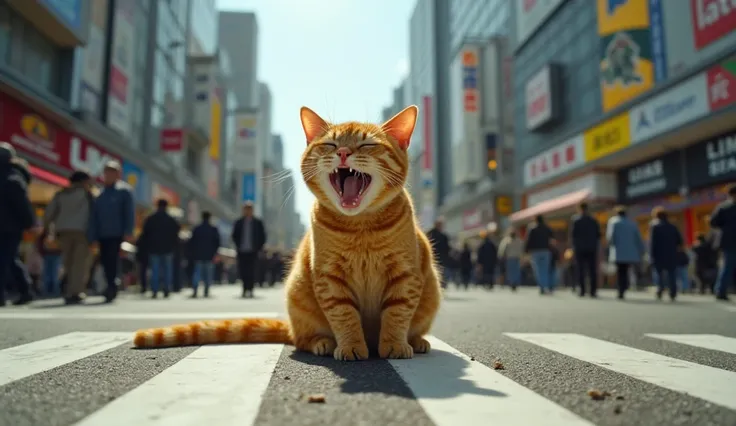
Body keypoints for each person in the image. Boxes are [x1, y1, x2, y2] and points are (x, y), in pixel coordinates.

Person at [44, 170, 95, 304]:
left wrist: (48, 230)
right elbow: (94, 214)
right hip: (81, 232)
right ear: (84, 182)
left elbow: (49, 213)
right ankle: (76, 292)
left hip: (63, 232)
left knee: (67, 262)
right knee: (80, 264)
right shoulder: (87, 195)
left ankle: (68, 290)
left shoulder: (61, 194)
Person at [88, 161, 135, 303]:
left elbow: (129, 213)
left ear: (118, 174)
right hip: (102, 234)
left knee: (113, 260)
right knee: (105, 261)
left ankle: (112, 286)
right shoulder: (100, 193)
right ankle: (109, 284)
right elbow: (94, 217)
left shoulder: (124, 191)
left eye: (112, 172)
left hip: (117, 233)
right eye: (107, 172)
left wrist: (128, 231)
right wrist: (93, 236)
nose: (108, 175)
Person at [0, 143, 35, 306]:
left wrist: (30, 223)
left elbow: (22, 204)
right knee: (9, 259)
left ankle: (23, 290)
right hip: (10, 226)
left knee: (6, 258)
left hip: (10, 227)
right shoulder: (12, 177)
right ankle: (25, 290)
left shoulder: (12, 177)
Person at [140, 199, 180, 298]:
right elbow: (176, 234)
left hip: (154, 248)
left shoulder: (151, 219)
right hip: (168, 248)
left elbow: (145, 234)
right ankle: (166, 289)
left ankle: (154, 290)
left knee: (155, 270)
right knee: (167, 270)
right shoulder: (171, 219)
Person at [606, 206, 645, 300]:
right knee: (626, 270)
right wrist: (641, 250)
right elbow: (638, 238)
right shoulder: (632, 223)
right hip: (630, 252)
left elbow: (610, 237)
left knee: (620, 271)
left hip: (618, 251)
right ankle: (625, 286)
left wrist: (610, 247)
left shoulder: (613, 222)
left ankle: (621, 290)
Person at [231, 202, 266, 298]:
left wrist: (258, 248)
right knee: (242, 271)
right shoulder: (239, 222)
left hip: (253, 251)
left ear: (252, 210)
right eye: (246, 209)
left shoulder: (257, 223)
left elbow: (262, 237)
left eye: (249, 209)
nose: (247, 211)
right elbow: (234, 235)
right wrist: (237, 245)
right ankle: (244, 288)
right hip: (241, 251)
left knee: (252, 271)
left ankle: (250, 289)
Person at [649, 206, 684, 301]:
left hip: (659, 254)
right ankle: (673, 291)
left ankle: (660, 290)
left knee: (659, 273)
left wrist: (651, 255)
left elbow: (653, 243)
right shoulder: (673, 227)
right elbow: (680, 241)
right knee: (672, 273)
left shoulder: (655, 227)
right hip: (671, 254)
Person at [710, 184, 736, 301]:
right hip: (729, 242)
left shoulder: (723, 207)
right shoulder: (724, 207)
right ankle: (721, 290)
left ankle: (721, 291)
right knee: (727, 266)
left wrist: (724, 227)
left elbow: (713, 222)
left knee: (727, 266)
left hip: (727, 241)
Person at [570, 202, 602, 297]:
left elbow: (573, 235)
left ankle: (582, 290)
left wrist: (573, 247)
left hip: (580, 248)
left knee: (581, 269)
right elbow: (598, 235)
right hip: (592, 247)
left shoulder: (576, 220)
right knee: (592, 269)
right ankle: (593, 291)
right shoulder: (593, 220)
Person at [188, 211, 221, 298]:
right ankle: (206, 291)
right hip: (209, 255)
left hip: (198, 255)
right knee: (208, 275)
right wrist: (215, 253)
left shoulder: (197, 229)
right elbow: (217, 243)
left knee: (197, 274)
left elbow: (192, 242)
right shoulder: (213, 229)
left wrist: (192, 253)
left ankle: (195, 290)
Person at [524, 215, 555, 294]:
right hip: (545, 250)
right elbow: (552, 240)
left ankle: (542, 286)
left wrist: (526, 250)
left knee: (538, 270)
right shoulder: (547, 228)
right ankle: (546, 285)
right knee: (545, 269)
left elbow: (529, 240)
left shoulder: (532, 229)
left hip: (536, 251)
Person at [427, 218, 451, 289]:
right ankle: (437, 286)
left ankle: (436, 286)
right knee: (438, 273)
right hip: (437, 258)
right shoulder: (443, 236)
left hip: (435, 258)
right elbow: (447, 249)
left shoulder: (430, 233)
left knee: (436, 273)